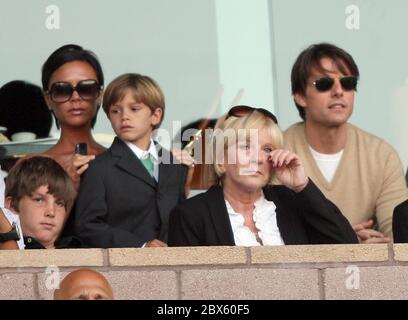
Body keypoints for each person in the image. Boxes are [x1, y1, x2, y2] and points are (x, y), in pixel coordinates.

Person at [168, 105, 358, 246]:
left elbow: (347, 244)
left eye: (267, 149)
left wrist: (302, 186)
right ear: (221, 161)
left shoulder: (292, 202)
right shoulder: (190, 215)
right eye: (246, 147)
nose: (258, 158)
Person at [284, 43, 408, 243]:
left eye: (348, 83)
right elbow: (273, 237)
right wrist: (345, 237)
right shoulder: (278, 152)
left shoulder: (382, 155)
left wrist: (381, 249)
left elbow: (400, 235)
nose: (338, 91)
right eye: (324, 84)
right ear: (300, 96)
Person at [75, 73, 192, 248]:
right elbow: (87, 227)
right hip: (123, 268)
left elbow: (182, 223)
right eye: (115, 110)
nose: (124, 116)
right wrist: (142, 245)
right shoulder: (98, 168)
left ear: (156, 115)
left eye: (134, 109)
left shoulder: (175, 166)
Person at [41, 44, 106, 191]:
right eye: (62, 90)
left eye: (87, 88)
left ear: (100, 95)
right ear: (48, 99)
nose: (75, 98)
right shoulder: (30, 169)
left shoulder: (120, 163)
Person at [1, 156, 77, 249]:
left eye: (59, 203)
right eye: (39, 200)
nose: (51, 212)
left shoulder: (81, 252)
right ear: (12, 204)